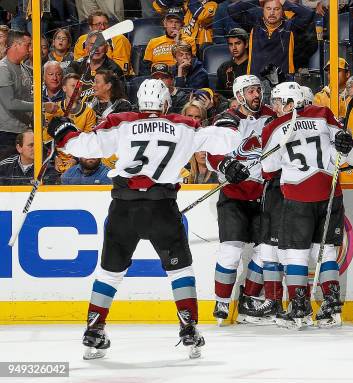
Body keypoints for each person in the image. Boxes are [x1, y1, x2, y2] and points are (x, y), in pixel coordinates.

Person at [45, 78, 246, 360]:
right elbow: (228, 139)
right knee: (180, 270)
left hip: (123, 208)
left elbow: (82, 147)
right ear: (165, 103)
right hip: (162, 207)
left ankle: (94, 329)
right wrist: (229, 120)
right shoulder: (182, 124)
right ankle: (189, 328)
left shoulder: (121, 121)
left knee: (109, 273)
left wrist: (62, 130)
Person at [260, 81, 353, 329]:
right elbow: (352, 153)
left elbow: (268, 168)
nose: (274, 107)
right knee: (326, 252)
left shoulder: (275, 127)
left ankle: (299, 309)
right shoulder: (323, 114)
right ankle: (330, 306)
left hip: (298, 196)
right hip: (329, 194)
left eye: (278, 102)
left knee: (294, 255)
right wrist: (347, 144)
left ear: (291, 103)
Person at [205, 74, 276, 325]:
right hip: (234, 195)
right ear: (238, 96)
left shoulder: (271, 115)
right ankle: (222, 302)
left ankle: (249, 301)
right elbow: (212, 154)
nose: (256, 95)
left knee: (266, 251)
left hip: (262, 195)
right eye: (250, 91)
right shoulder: (227, 119)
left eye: (258, 90)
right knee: (230, 251)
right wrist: (226, 165)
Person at [0, 30, 56, 159]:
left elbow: (29, 98)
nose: (31, 49)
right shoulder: (3, 69)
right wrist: (42, 106)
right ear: (15, 45)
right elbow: (10, 103)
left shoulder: (26, 69)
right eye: (28, 45)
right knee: (7, 175)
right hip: (7, 133)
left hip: (25, 131)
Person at [228, 0, 314, 78]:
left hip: (283, 81)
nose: (272, 12)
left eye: (276, 9)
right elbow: (232, 9)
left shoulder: (290, 26)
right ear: (263, 10)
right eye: (268, 9)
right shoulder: (254, 24)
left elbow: (308, 14)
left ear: (283, 11)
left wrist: (284, 2)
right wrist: (258, 1)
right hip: (256, 81)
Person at [66, 31, 125, 104]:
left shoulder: (113, 69)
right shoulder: (75, 66)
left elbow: (118, 99)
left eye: (100, 44)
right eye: (92, 45)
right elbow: (66, 94)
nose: (96, 49)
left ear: (106, 48)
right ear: (86, 48)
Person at [73, 11, 132, 75]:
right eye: (98, 24)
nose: (103, 27)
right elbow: (78, 64)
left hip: (113, 77)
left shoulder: (119, 39)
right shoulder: (82, 40)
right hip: (86, 77)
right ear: (90, 27)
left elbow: (121, 68)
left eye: (105, 24)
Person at [216, 27, 249, 99]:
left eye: (237, 43)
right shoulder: (223, 67)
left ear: (246, 44)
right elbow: (218, 95)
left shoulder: (254, 65)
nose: (234, 48)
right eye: (231, 44)